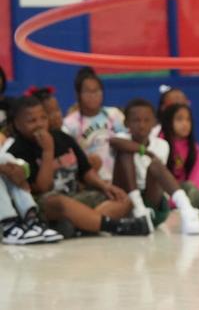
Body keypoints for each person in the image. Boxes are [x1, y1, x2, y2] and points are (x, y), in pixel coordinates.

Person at [5, 96, 150, 237]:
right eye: (32, 121)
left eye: (43, 118)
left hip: (76, 197)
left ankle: (79, 225)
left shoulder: (61, 137)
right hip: (49, 204)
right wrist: (47, 152)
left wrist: (105, 187)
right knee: (60, 203)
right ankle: (113, 226)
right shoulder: (17, 151)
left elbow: (85, 170)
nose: (40, 124)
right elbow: (43, 187)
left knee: (122, 198)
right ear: (17, 124)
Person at [110, 99, 199, 234]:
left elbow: (157, 180)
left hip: (151, 202)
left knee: (155, 164)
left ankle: (187, 209)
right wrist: (145, 151)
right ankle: (138, 209)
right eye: (136, 120)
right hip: (125, 201)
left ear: (154, 123)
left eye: (146, 120)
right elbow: (113, 141)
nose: (141, 125)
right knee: (125, 151)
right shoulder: (121, 137)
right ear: (126, 123)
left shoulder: (162, 145)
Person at [62, 67, 126, 180]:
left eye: (96, 91)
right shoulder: (69, 123)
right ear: (78, 95)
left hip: (119, 176)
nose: (93, 96)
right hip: (91, 180)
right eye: (87, 91)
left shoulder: (114, 114)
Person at [160, 104, 199, 213]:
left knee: (191, 186)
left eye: (188, 120)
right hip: (167, 192)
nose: (185, 124)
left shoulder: (194, 147)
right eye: (179, 119)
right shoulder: (161, 143)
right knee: (188, 188)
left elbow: (196, 176)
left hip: (188, 190)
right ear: (168, 121)